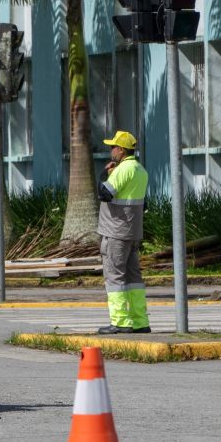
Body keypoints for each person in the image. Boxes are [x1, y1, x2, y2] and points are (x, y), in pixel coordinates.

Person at [96, 130, 151, 334]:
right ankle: (140, 321)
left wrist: (104, 174)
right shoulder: (140, 170)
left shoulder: (122, 169)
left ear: (121, 150)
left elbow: (104, 193)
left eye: (113, 147)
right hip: (132, 232)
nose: (111, 150)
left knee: (114, 276)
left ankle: (120, 321)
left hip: (115, 231)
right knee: (133, 277)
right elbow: (142, 203)